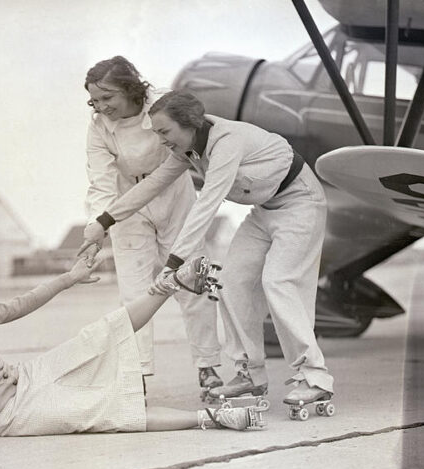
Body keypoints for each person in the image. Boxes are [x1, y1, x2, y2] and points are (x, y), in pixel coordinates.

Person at [0, 257, 267, 456]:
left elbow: (21, 304)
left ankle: (167, 285)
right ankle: (212, 419)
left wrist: (68, 279)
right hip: (10, 415)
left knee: (95, 336)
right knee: (103, 411)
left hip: (24, 379)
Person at [80, 91, 334, 407]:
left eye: (164, 132)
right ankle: (250, 374)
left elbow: (207, 204)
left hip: (300, 203)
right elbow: (149, 185)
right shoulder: (189, 151)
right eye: (156, 133)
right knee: (229, 281)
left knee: (278, 281)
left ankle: (314, 377)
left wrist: (173, 263)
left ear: (190, 124)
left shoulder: (226, 141)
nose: (161, 141)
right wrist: (104, 221)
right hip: (265, 209)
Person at [82, 56, 222, 392]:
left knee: (193, 282)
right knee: (134, 294)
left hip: (175, 197)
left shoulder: (163, 104)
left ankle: (209, 368)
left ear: (130, 89)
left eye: (107, 98)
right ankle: (137, 376)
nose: (101, 107)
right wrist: (95, 225)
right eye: (94, 100)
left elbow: (195, 141)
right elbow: (101, 181)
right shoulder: (98, 127)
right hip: (127, 207)